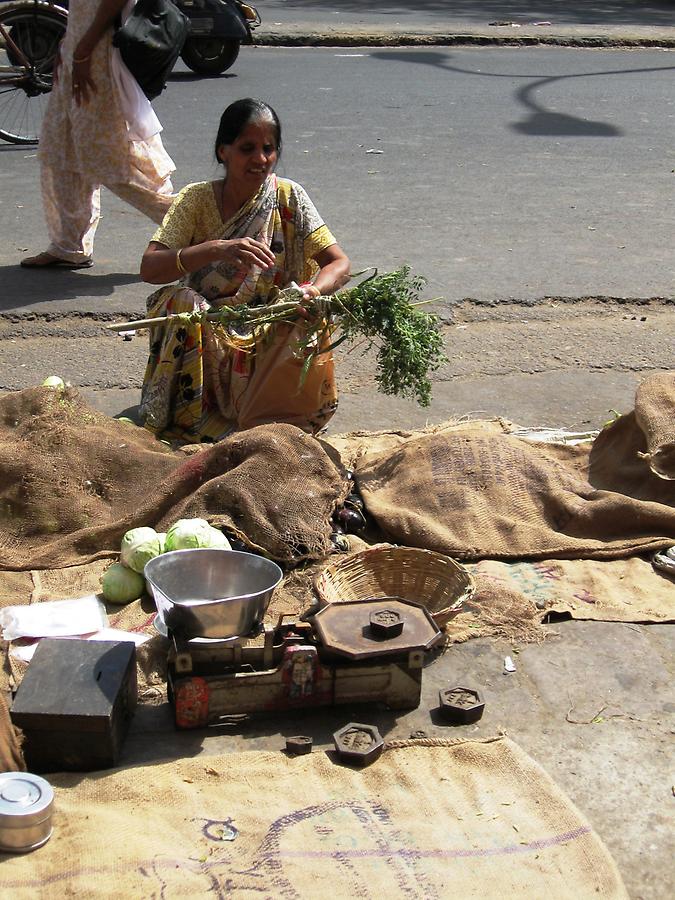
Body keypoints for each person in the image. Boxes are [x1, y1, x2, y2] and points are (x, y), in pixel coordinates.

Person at [138, 98, 351, 443]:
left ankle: (274, 411)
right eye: (247, 148)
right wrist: (214, 249)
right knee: (180, 302)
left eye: (269, 149)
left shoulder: (288, 196)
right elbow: (150, 267)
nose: (260, 159)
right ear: (223, 151)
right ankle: (193, 412)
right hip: (209, 327)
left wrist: (311, 291)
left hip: (268, 323)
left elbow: (338, 263)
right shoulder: (195, 199)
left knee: (305, 310)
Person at [21, 0, 176, 270]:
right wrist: (69, 43)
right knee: (63, 148)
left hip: (100, 54)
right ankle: (70, 245)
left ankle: (192, 220)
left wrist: (83, 48)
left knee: (112, 157)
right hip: (80, 46)